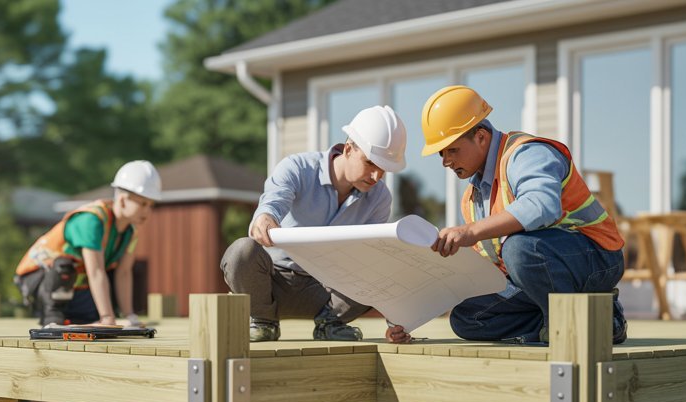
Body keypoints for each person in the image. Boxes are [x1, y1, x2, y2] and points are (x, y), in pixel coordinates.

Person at [386, 86, 627, 346]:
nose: (445, 161)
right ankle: (593, 322)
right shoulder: (472, 199)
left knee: (519, 249)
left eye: (452, 150)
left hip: (597, 259)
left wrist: (470, 232)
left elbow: (542, 205)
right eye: (441, 153)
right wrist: (403, 319)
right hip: (536, 276)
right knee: (467, 316)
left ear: (480, 137)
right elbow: (485, 270)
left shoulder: (525, 154)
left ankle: (573, 324)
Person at [222, 105, 408, 342]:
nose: (376, 177)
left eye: (384, 170)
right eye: (371, 163)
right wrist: (265, 217)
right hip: (271, 284)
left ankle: (330, 325)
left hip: (328, 293)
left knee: (381, 262)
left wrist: (396, 322)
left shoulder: (380, 197)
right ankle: (263, 321)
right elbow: (273, 201)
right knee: (241, 251)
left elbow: (372, 259)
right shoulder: (298, 168)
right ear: (349, 149)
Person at [15, 160, 160, 326]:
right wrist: (107, 318)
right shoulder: (92, 220)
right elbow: (96, 272)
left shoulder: (131, 232)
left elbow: (124, 273)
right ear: (122, 200)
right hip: (40, 278)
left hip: (72, 286)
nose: (147, 211)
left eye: (151, 205)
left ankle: (76, 317)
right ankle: (52, 317)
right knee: (64, 268)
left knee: (93, 310)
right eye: (142, 203)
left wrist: (129, 317)